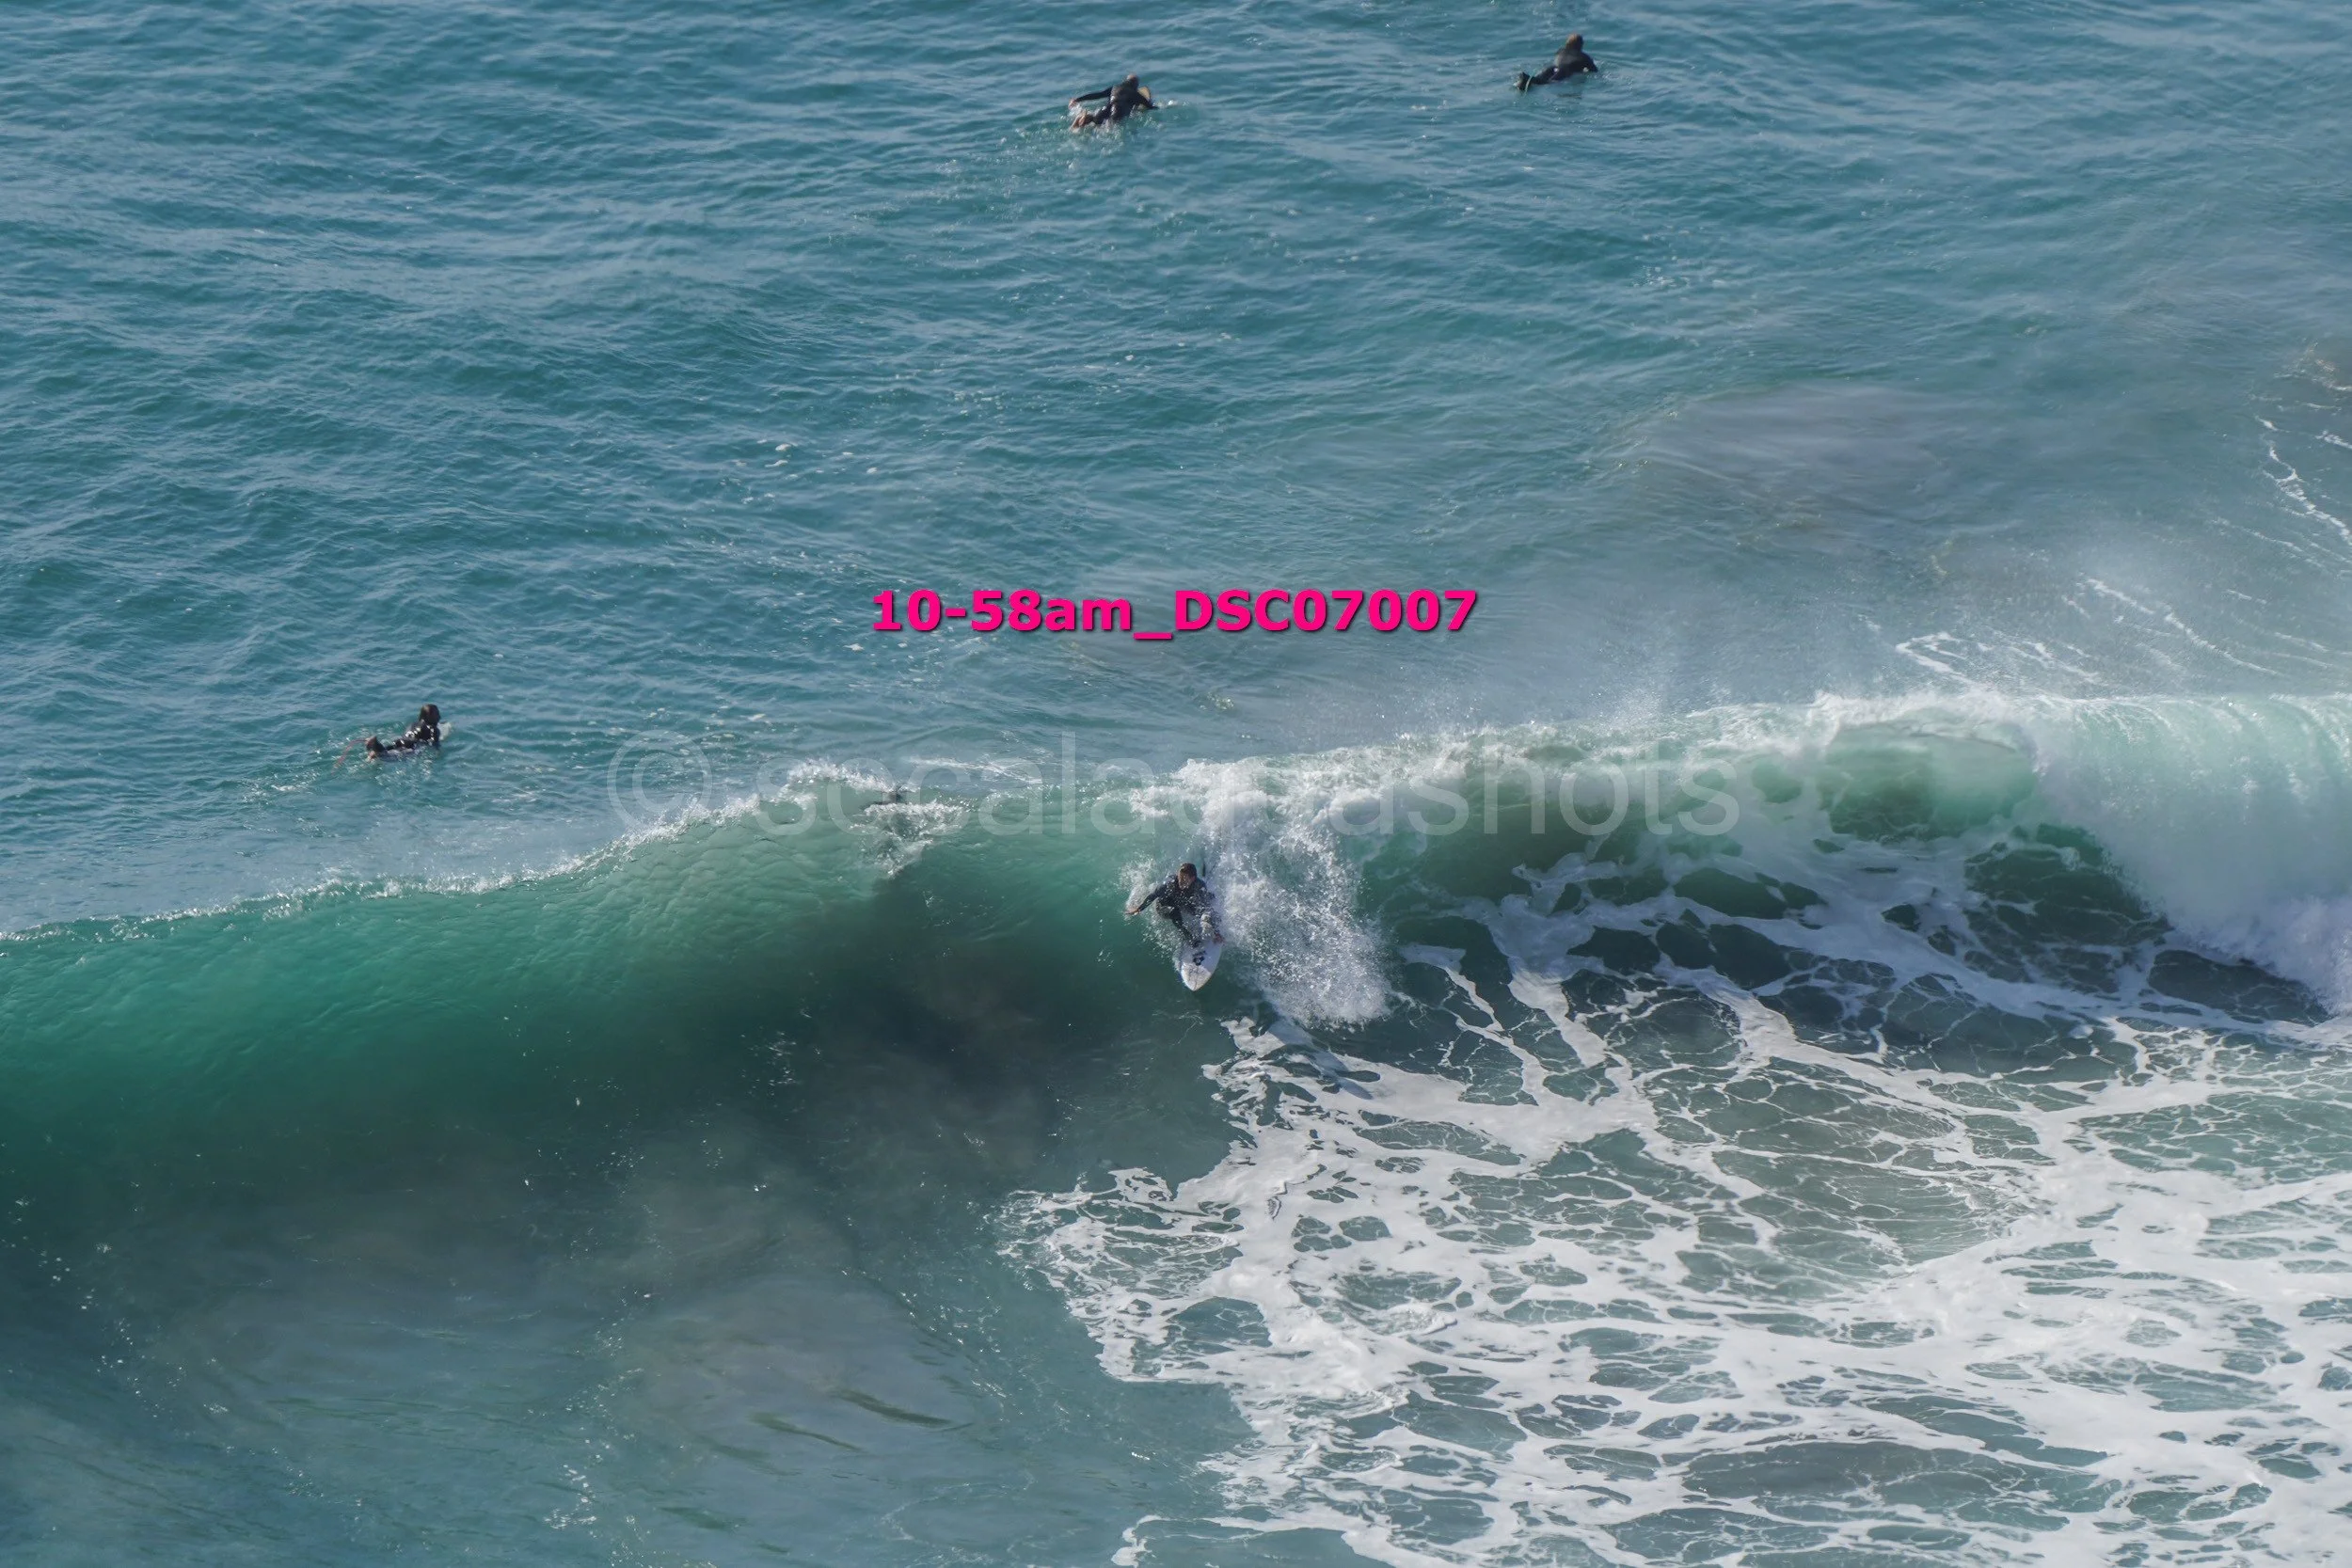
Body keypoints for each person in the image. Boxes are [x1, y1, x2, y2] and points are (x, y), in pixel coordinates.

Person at [1127, 862, 1222, 944]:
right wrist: (1139, 909)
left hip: (1182, 902)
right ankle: (1188, 937)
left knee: (1207, 908)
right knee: (1174, 912)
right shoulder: (1169, 884)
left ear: (1193, 879)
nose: (1180, 882)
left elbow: (1206, 908)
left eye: (1184, 879)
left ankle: (1217, 934)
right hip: (1164, 906)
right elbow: (1153, 896)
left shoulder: (1199, 885)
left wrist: (1216, 932)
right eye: (1180, 878)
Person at [1516, 34, 1597, 91]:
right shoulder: (1584, 57)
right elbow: (1594, 71)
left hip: (1553, 67)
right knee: (1549, 83)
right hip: (1564, 71)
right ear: (1580, 45)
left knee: (1538, 79)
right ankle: (1528, 81)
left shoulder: (1560, 51)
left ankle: (1526, 79)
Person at [1070, 73, 1156, 128]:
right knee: (1108, 127)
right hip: (1118, 112)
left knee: (1095, 121)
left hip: (1106, 108)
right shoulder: (1136, 94)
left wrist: (1078, 99)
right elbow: (1150, 107)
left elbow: (1098, 95)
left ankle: (1085, 118)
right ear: (1136, 85)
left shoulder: (1114, 88)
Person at [364, 703, 442, 760]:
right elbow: (434, 743)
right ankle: (375, 744)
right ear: (428, 716)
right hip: (412, 744)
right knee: (392, 758)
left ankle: (376, 748)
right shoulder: (433, 728)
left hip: (400, 740)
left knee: (387, 750)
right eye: (437, 714)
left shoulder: (413, 724)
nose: (439, 717)